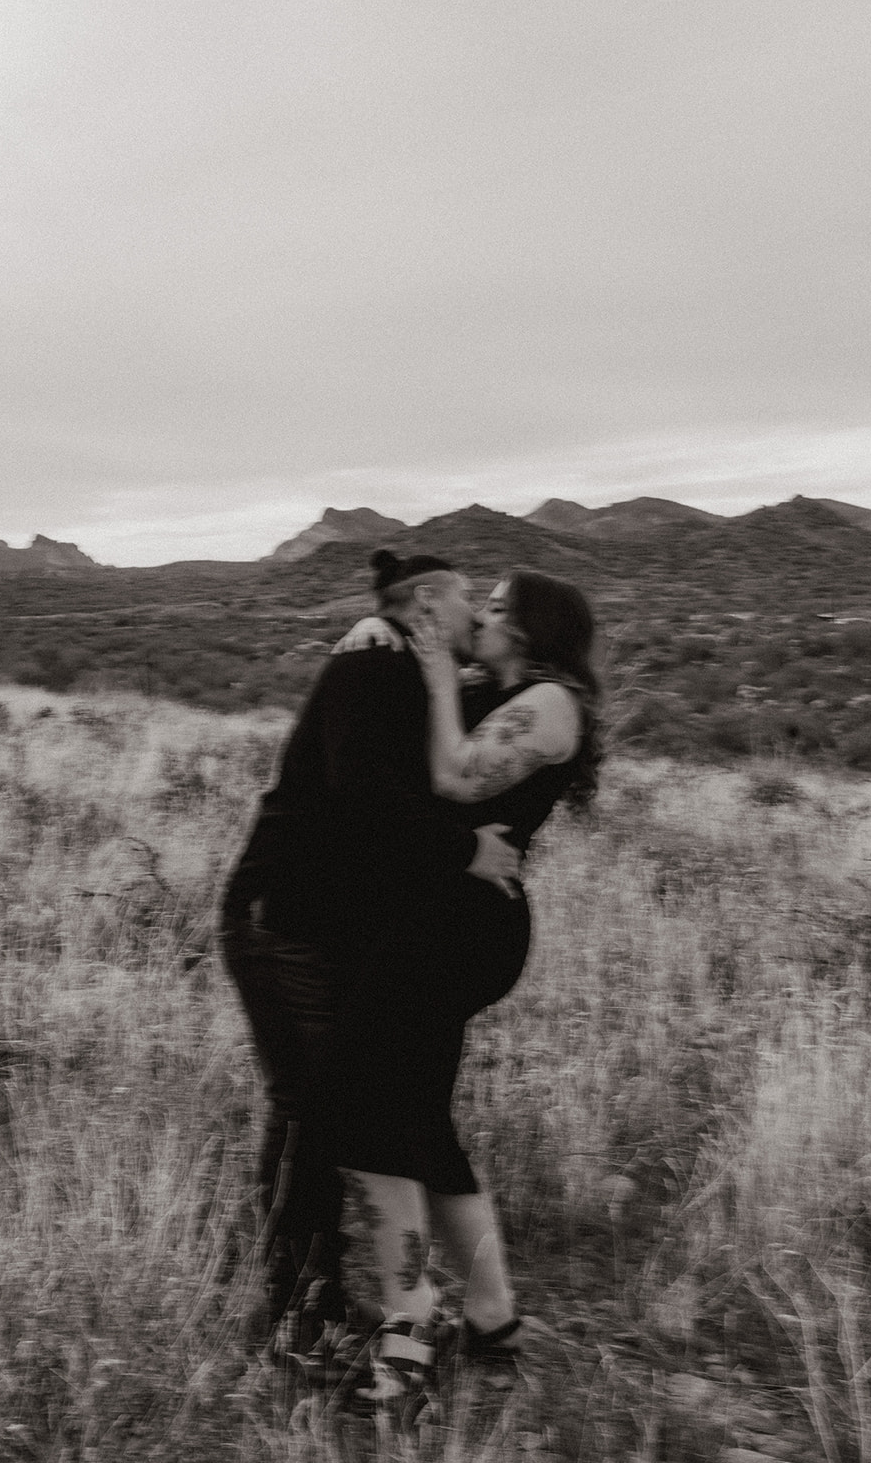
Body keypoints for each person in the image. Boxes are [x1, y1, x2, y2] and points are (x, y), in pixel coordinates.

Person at [218, 553, 523, 1358]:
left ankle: (305, 1297)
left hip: (319, 926)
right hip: (279, 918)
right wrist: (462, 849)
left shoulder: (405, 667)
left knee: (323, 1108)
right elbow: (359, 791)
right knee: (311, 1109)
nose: (473, 614)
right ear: (425, 601)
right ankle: (292, 1309)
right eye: (464, 597)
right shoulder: (371, 663)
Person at [327, 565, 602, 1421]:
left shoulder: (552, 705)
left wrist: (442, 677)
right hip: (430, 921)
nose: (476, 615)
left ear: (525, 628)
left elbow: (453, 780)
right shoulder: (494, 686)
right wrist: (371, 642)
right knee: (419, 1125)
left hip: (457, 933)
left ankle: (405, 1336)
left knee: (367, 1118)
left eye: (492, 606)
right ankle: (491, 1321)